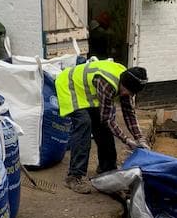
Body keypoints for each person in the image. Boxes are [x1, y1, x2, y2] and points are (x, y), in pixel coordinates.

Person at [55, 60, 149, 194]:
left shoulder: (127, 81)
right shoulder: (107, 83)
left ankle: (108, 169)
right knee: (84, 123)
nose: (127, 95)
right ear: (122, 83)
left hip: (87, 92)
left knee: (102, 126)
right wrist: (126, 140)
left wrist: (141, 139)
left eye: (132, 93)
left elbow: (129, 113)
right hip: (69, 86)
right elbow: (108, 119)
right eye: (126, 91)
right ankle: (74, 177)